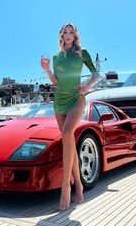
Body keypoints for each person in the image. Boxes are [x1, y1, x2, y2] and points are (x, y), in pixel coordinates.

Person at [41, 23, 98, 210]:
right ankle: (79, 184)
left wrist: (86, 87)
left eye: (71, 32)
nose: (68, 35)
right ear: (61, 35)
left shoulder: (82, 52)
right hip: (59, 100)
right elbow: (56, 82)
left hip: (76, 99)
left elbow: (96, 74)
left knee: (67, 134)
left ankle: (66, 187)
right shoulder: (57, 56)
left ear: (75, 35)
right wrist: (47, 70)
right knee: (69, 140)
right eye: (65, 32)